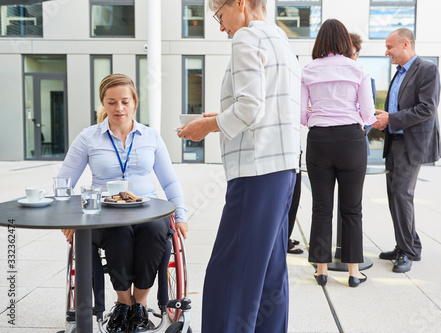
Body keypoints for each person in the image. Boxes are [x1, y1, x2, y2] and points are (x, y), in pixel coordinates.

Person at [178, 0, 301, 331]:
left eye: (220, 15)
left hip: (256, 169)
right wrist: (217, 118)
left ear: (240, 3)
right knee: (270, 271)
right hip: (285, 168)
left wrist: (207, 126)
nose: (220, 26)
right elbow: (268, 107)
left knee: (228, 272)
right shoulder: (282, 42)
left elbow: (249, 108)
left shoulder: (247, 38)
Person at [58, 73, 188, 332]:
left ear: (134, 102)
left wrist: (181, 215)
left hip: (148, 210)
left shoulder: (151, 137)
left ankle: (139, 304)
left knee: (154, 231)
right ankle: (123, 301)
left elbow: (170, 183)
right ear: (103, 104)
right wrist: (67, 219)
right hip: (104, 214)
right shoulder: (88, 137)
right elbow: (64, 182)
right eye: (111, 102)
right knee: (118, 233)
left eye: (125, 101)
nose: (119, 108)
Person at [301, 19, 376, 288]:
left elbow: (300, 114)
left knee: (321, 208)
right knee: (352, 209)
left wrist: (320, 115)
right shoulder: (357, 69)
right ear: (345, 42)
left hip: (319, 140)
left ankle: (321, 270)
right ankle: (353, 272)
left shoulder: (308, 70)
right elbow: (368, 113)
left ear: (320, 41)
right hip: (351, 141)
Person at [372, 28, 441, 273]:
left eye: (390, 47)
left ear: (405, 44)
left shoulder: (427, 69)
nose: (386, 52)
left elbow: (427, 109)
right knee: (394, 196)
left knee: (402, 195)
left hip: (411, 144)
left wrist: (391, 119)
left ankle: (407, 252)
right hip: (395, 142)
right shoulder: (399, 73)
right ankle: (410, 244)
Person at [350, 32, 376, 156]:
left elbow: (371, 111)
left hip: (359, 139)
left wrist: (364, 128)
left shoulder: (367, 80)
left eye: (350, 55)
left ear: (357, 54)